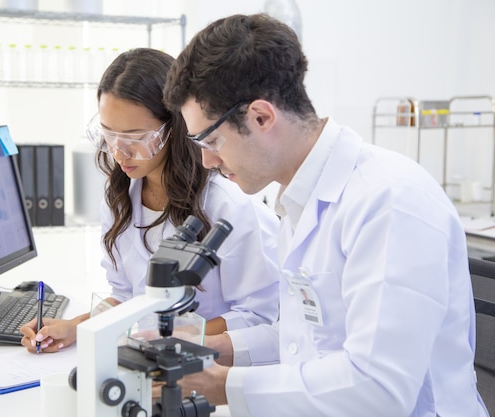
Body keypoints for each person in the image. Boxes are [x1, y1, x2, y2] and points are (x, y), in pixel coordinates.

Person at [163, 13, 488, 417]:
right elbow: (310, 338)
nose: (207, 160)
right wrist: (222, 348)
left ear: (262, 117)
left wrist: (224, 385)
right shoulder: (298, 202)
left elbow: (377, 388)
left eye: (211, 140)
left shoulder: (388, 201)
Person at [20, 47, 280, 353]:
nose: (119, 153)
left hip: (208, 364)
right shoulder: (120, 198)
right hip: (144, 354)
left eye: (135, 139)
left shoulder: (229, 206)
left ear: (175, 128)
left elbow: (257, 317)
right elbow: (126, 298)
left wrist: (169, 336)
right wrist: (77, 327)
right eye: (110, 136)